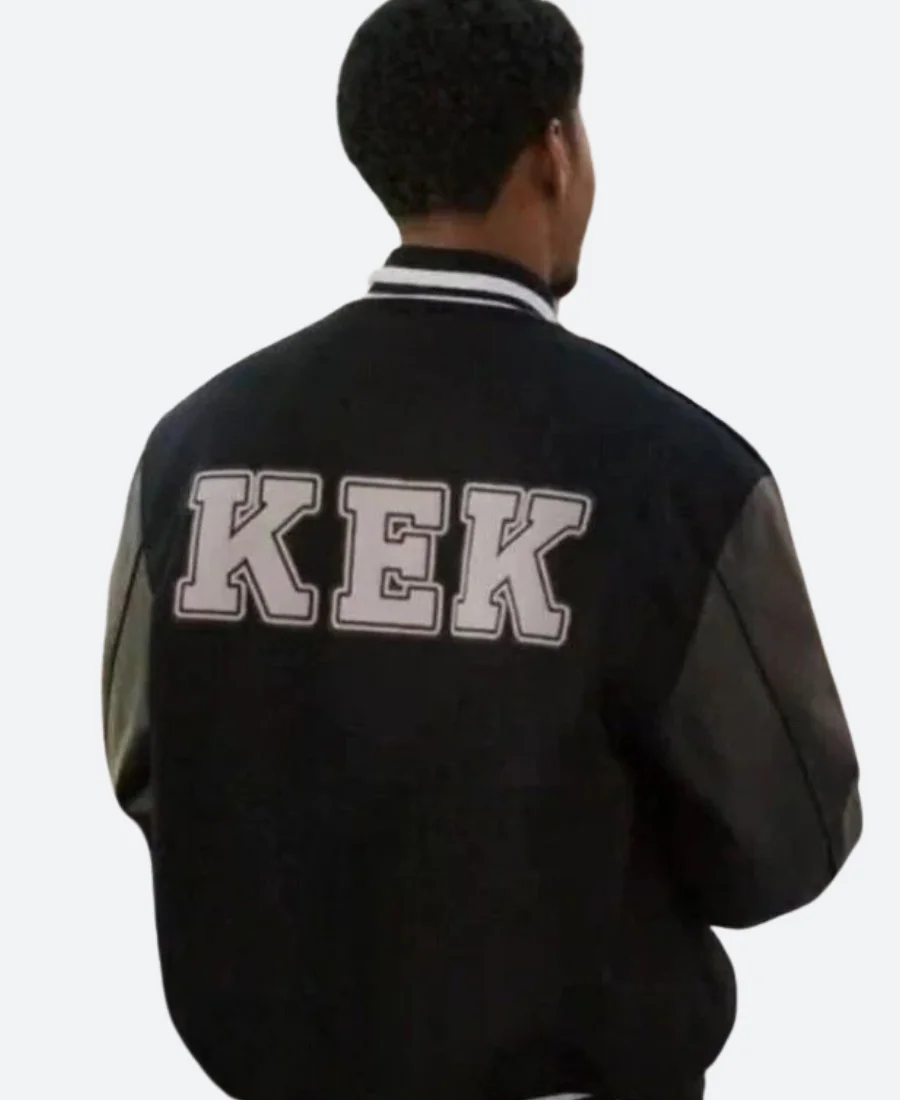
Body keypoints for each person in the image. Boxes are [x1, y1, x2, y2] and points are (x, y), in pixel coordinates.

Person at [101, 2, 862, 1098]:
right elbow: (787, 837)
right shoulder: (681, 472)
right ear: (555, 150)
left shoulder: (191, 449)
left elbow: (149, 765)